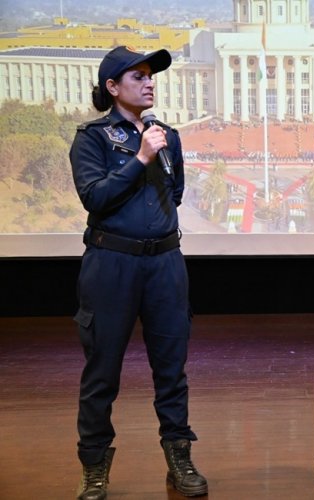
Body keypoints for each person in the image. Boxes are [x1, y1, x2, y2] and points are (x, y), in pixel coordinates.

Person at [69, 46, 208, 499]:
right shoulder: (91, 138)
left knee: (171, 369)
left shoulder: (166, 133)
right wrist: (140, 158)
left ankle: (180, 459)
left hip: (165, 263)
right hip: (112, 264)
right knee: (102, 371)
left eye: (151, 76)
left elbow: (177, 191)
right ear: (113, 87)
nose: (150, 83)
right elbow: (96, 198)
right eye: (138, 76)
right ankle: (94, 467)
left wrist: (152, 152)